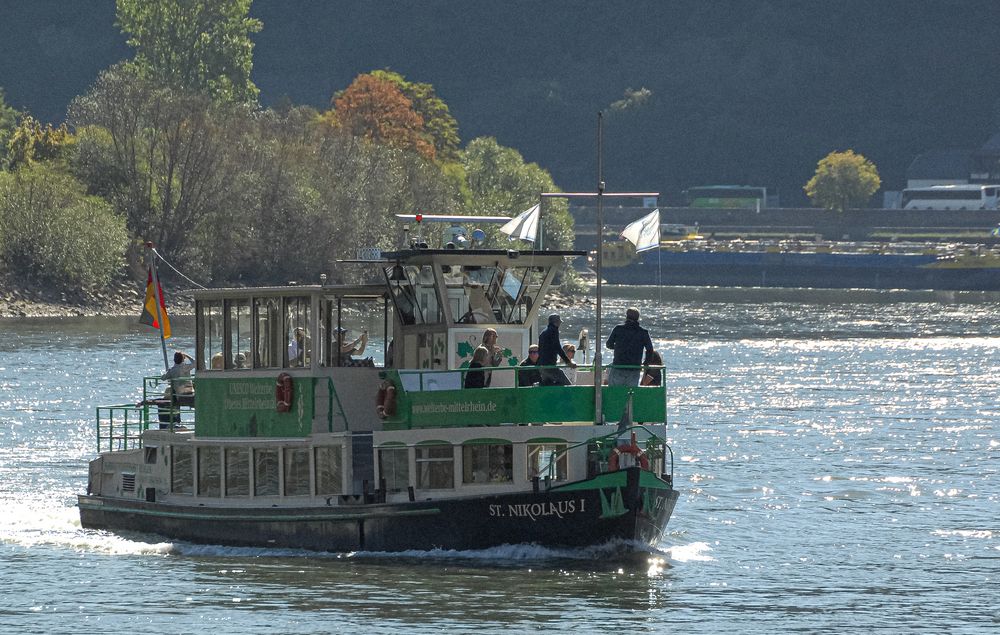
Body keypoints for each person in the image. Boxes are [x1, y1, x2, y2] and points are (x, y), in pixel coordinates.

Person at [606, 307, 655, 386]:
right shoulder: (643, 332)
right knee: (631, 392)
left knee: (614, 391)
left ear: (626, 317)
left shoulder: (618, 329)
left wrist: (618, 347)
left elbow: (608, 344)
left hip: (618, 366)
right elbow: (650, 350)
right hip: (634, 368)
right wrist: (646, 363)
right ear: (638, 318)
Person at [537, 314, 576, 386]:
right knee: (568, 385)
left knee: (548, 384)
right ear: (556, 322)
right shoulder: (554, 331)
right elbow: (558, 347)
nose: (560, 323)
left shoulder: (543, 333)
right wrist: (568, 362)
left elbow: (540, 350)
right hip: (550, 366)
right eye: (559, 322)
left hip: (541, 366)